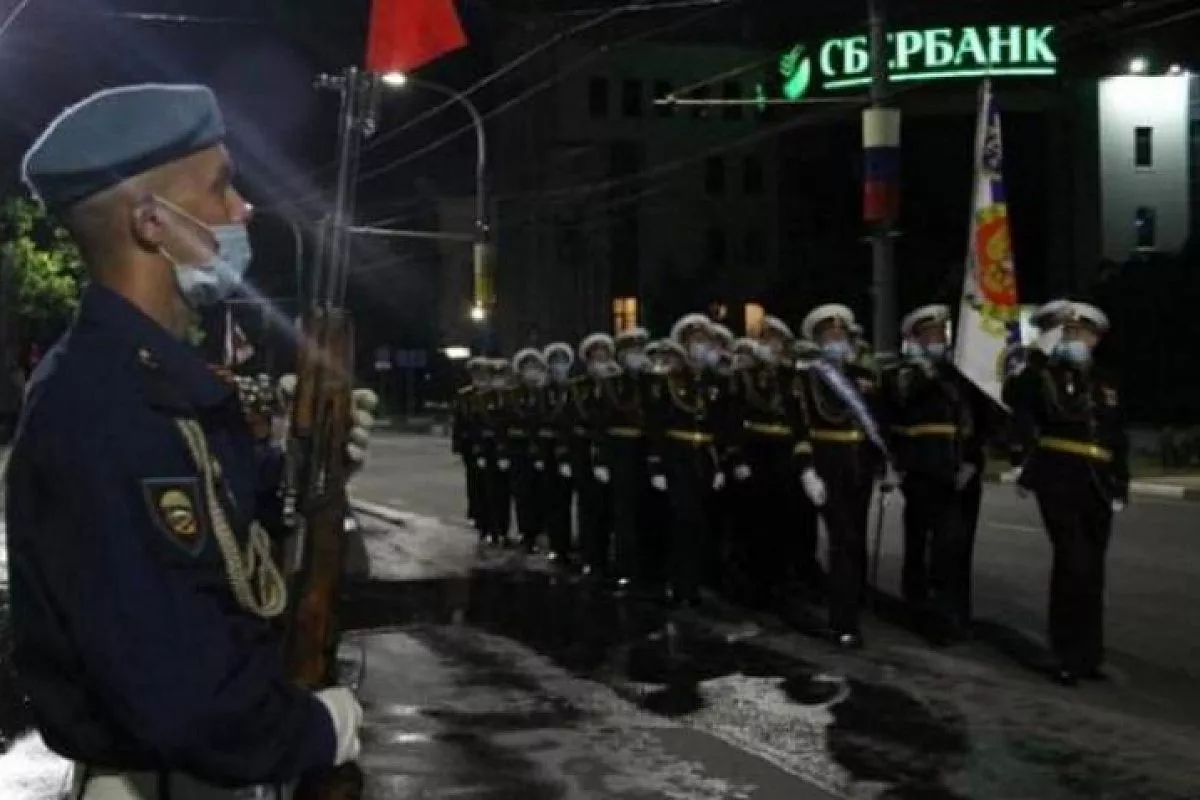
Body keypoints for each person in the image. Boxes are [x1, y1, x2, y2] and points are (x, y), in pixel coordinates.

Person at [8, 84, 371, 799]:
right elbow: (178, 689)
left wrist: (305, 468)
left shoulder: (152, 381)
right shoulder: (106, 403)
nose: (243, 209)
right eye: (220, 187)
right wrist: (311, 729)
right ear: (152, 223)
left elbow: (215, 543)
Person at [1004, 300, 1128, 686]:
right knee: (1072, 564)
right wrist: (1038, 354)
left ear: (1095, 339)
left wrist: (1121, 483)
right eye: (1068, 333)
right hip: (1058, 477)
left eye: (1082, 333)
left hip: (1099, 482)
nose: (1075, 339)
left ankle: (1089, 656)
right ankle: (1065, 655)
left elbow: (1117, 435)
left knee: (1093, 570)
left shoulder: (1106, 379)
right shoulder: (1041, 375)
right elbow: (1016, 399)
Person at [886, 304, 988, 642]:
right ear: (915, 339)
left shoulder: (960, 375)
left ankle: (956, 613)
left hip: (961, 466)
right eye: (930, 334)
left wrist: (972, 461)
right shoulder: (905, 373)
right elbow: (899, 403)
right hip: (922, 468)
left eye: (941, 333)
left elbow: (979, 419)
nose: (939, 339)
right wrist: (926, 369)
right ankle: (922, 609)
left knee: (957, 545)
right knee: (923, 541)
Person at [794, 303, 889, 648]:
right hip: (828, 467)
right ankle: (842, 622)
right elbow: (800, 426)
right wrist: (807, 470)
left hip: (860, 466)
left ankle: (853, 603)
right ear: (818, 341)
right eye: (830, 336)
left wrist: (883, 465)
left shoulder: (863, 376)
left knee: (856, 539)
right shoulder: (807, 378)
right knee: (843, 540)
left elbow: (877, 422)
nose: (837, 340)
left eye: (841, 335)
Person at [646, 314, 725, 607]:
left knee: (701, 522)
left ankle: (695, 581)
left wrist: (719, 464)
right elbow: (656, 424)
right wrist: (656, 463)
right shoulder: (668, 380)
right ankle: (679, 582)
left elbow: (718, 425)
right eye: (694, 341)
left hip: (704, 457)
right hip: (677, 456)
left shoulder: (712, 381)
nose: (700, 347)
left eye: (704, 341)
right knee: (682, 520)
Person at [595, 327, 652, 590]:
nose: (636, 356)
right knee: (624, 511)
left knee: (647, 510)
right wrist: (601, 459)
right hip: (620, 451)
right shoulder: (612, 384)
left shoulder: (651, 381)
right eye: (631, 351)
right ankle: (625, 565)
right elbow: (602, 424)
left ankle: (646, 566)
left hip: (646, 450)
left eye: (640, 350)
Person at [573, 333, 618, 576]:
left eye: (604, 357)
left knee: (611, 506)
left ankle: (609, 554)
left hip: (613, 451)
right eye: (596, 358)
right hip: (584, 451)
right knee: (589, 505)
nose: (601, 363)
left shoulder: (617, 384)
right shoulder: (578, 387)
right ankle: (590, 554)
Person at [508, 348, 549, 552]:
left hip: (544, 448)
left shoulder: (546, 393)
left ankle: (542, 530)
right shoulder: (513, 394)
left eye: (535, 367)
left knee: (543, 491)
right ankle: (527, 532)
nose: (531, 372)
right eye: (527, 367)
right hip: (520, 449)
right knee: (523, 492)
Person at [452, 357, 490, 532]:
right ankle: (475, 511)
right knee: (473, 479)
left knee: (488, 480)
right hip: (469, 443)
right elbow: (458, 421)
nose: (479, 377)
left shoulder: (492, 395)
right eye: (475, 374)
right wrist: (457, 444)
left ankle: (487, 513)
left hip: (487, 443)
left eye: (482, 373)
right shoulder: (464, 395)